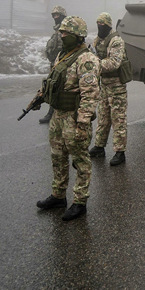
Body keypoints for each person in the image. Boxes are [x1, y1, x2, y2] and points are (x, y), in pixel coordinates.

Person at [35, 16, 100, 221]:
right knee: (58, 157)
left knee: (80, 161)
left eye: (66, 33)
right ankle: (58, 195)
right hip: (58, 116)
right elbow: (52, 81)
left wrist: (82, 123)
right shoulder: (62, 55)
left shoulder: (86, 59)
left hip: (74, 118)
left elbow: (90, 95)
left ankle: (80, 202)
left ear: (77, 35)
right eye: (61, 32)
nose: (61, 36)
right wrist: (40, 96)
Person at [88, 12, 129, 166]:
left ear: (109, 25)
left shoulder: (116, 41)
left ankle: (120, 152)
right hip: (104, 86)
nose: (100, 27)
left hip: (117, 86)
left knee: (118, 120)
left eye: (103, 24)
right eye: (98, 24)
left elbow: (114, 63)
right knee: (103, 118)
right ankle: (99, 146)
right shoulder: (98, 40)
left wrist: (95, 63)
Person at [40, 5, 67, 123]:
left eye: (57, 15)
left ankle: (53, 113)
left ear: (62, 16)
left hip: (62, 64)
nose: (56, 17)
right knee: (53, 87)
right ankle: (53, 112)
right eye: (54, 16)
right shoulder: (57, 30)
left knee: (58, 88)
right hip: (55, 64)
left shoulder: (65, 30)